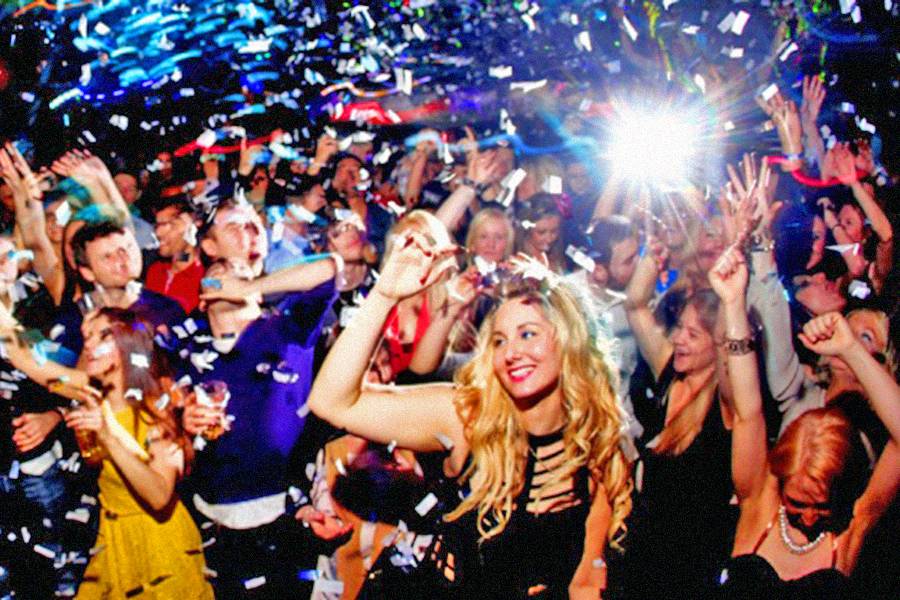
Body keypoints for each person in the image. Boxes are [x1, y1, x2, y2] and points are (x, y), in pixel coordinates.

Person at [308, 230, 632, 599]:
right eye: (499, 340)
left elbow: (586, 581)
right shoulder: (468, 418)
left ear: (569, 341)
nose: (511, 352)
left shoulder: (597, 450)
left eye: (528, 334)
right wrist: (385, 296)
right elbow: (332, 402)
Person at [708, 247, 899, 598]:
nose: (809, 518)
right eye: (797, 503)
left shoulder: (850, 527)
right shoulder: (759, 501)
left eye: (821, 506)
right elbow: (748, 411)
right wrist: (733, 304)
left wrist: (851, 350)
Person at [0, 307, 213, 599]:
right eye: (87, 336)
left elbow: (160, 497)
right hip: (110, 540)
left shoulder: (158, 405)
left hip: (157, 545)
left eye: (103, 336)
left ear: (130, 345)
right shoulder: (91, 393)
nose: (89, 344)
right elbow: (27, 360)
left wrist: (108, 437)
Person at [177, 254, 339, 597]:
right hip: (211, 522)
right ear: (203, 298)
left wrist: (250, 286)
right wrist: (183, 425)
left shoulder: (288, 328)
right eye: (215, 274)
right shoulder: (185, 351)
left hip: (284, 515)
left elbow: (329, 269)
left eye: (239, 271)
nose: (227, 275)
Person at [617, 237, 733, 599]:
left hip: (689, 567)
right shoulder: (670, 371)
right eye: (679, 327)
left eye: (693, 334)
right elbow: (635, 306)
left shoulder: (726, 403)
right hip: (640, 552)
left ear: (718, 344)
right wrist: (651, 259)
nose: (679, 339)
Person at [52, 220, 185, 359]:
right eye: (108, 256)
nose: (124, 259)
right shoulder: (73, 322)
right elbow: (60, 368)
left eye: (129, 247)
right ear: (87, 272)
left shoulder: (166, 310)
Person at [145, 197, 204, 313]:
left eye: (169, 224)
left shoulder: (206, 278)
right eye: (157, 225)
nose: (158, 233)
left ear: (191, 227)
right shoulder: (155, 271)